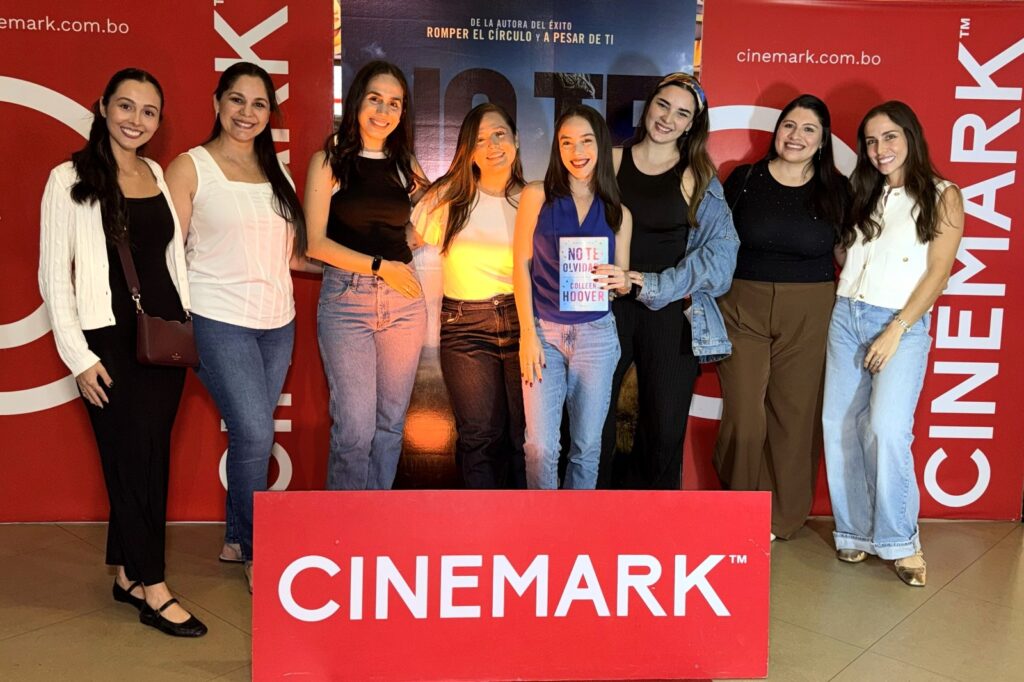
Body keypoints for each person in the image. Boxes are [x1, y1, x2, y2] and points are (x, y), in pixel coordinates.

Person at [38, 68, 206, 636]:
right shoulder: (68, 179)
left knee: (149, 456)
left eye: (149, 111)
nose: (136, 120)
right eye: (126, 106)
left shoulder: (156, 172)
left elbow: (170, 257)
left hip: (163, 338)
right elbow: (53, 276)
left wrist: (185, 319)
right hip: (107, 341)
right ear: (103, 106)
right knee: (131, 460)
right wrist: (79, 357)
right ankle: (154, 587)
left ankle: (127, 574)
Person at [166, 62, 313, 593]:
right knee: (254, 432)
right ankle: (255, 549)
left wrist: (366, 264)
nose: (247, 113)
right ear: (216, 103)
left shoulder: (279, 173)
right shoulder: (190, 167)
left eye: (259, 104)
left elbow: (293, 256)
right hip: (216, 317)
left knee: (253, 433)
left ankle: (234, 539)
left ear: (270, 113)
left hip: (277, 323)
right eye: (236, 100)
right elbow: (168, 254)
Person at [823, 101, 964, 587]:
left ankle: (902, 542)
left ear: (910, 137)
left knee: (886, 428)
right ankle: (854, 531)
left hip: (900, 323)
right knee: (840, 426)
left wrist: (897, 328)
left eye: (889, 137)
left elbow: (938, 273)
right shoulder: (864, 192)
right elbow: (849, 253)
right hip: (847, 315)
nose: (879, 149)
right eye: (870, 141)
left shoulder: (944, 195)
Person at [714, 95, 851, 540]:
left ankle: (781, 517)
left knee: (795, 415)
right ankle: (739, 508)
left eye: (809, 129)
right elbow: (716, 240)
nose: (796, 136)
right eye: (789, 125)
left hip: (810, 308)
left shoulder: (838, 189)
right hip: (741, 304)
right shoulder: (743, 179)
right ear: (777, 131)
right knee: (744, 414)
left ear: (822, 139)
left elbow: (846, 253)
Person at [599, 72, 735, 490]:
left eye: (681, 113)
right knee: (592, 421)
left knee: (664, 429)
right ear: (649, 106)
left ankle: (652, 518)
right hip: (606, 309)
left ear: (692, 124)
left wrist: (650, 283)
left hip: (669, 311)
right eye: (663, 105)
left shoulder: (699, 177)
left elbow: (722, 259)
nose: (667, 119)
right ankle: (590, 510)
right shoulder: (610, 162)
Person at [305, 61, 428, 491]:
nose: (383, 111)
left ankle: (376, 521)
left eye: (394, 103)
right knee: (355, 429)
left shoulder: (404, 163)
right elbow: (315, 244)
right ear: (357, 100)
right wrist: (380, 266)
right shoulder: (330, 161)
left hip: (404, 302)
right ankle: (345, 524)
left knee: (390, 424)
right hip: (347, 300)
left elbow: (433, 215)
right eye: (375, 99)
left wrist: (407, 243)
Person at [513, 104, 632, 489]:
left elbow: (622, 282)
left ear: (601, 146)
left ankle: (574, 521)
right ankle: (542, 520)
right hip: (543, 334)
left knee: (587, 446)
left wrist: (622, 280)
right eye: (566, 142)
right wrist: (528, 334)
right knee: (540, 447)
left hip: (596, 336)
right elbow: (520, 267)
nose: (576, 151)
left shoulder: (619, 212)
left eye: (586, 141)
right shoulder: (536, 195)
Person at [412, 103, 527, 488]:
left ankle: (523, 521)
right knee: (479, 437)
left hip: (524, 325)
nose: (492, 145)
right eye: (480, 140)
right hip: (466, 329)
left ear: (516, 140)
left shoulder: (533, 199)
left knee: (526, 438)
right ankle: (480, 521)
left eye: (499, 134)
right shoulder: (448, 197)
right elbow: (401, 244)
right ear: (468, 150)